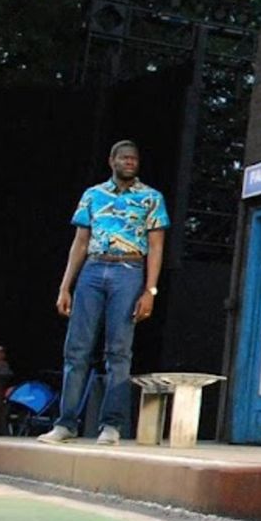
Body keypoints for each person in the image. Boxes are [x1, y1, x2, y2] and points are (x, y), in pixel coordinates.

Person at [37, 140, 168, 446]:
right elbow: (80, 242)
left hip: (129, 269)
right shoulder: (93, 195)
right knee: (77, 349)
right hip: (93, 268)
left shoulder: (151, 197)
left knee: (118, 350)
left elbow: (156, 246)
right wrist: (65, 286)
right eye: (124, 158)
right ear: (112, 161)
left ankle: (111, 425)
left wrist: (150, 290)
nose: (129, 162)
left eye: (134, 158)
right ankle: (66, 423)